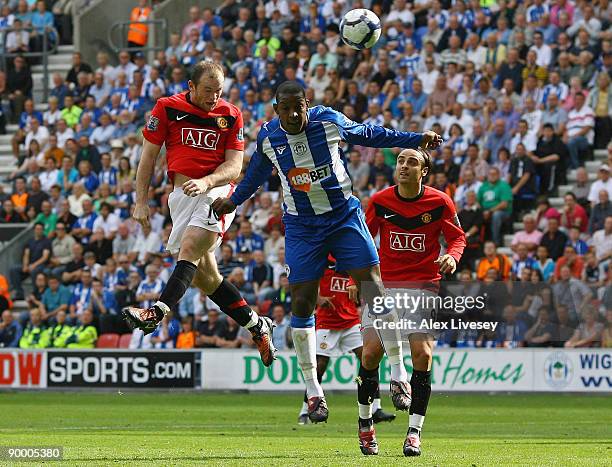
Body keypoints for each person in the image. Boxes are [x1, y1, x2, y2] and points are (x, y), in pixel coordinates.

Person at [212, 81, 442, 425]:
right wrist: (233, 200)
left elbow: (369, 134)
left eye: (298, 107)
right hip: (303, 226)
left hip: (343, 217)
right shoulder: (269, 137)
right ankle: (313, 393)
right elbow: (255, 175)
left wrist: (414, 139)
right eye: (285, 108)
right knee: (302, 302)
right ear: (276, 109)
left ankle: (398, 375)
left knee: (374, 290)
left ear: (308, 104)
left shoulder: (328, 121)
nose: (293, 114)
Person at [121, 62, 275, 369]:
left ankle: (156, 313)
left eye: (219, 91)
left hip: (217, 192)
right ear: (191, 86)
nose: (214, 97)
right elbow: (148, 158)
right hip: (181, 197)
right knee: (208, 280)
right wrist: (140, 201)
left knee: (189, 247)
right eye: (208, 90)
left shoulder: (230, 114)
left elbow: (234, 166)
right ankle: (258, 326)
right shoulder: (166, 108)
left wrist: (207, 182)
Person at [296, 255, 395, 429]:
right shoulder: (322, 265)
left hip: (350, 322)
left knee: (369, 358)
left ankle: (376, 407)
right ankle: (305, 410)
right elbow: (305, 284)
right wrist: (318, 299)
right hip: (327, 323)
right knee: (319, 366)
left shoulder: (352, 268)